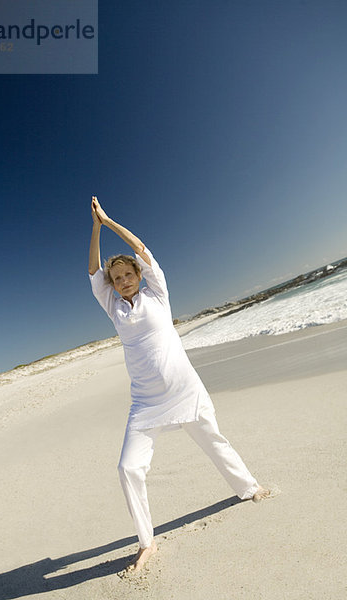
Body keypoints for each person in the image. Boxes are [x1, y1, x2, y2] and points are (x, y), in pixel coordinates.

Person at [88, 196, 269, 571]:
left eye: (127, 274)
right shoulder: (114, 306)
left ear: (139, 274)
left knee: (215, 441)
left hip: (185, 390)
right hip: (146, 403)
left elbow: (139, 248)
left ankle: (249, 487)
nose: (122, 281)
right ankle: (146, 542)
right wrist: (93, 229)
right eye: (116, 278)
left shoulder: (158, 293)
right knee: (128, 468)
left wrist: (108, 221)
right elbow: (92, 270)